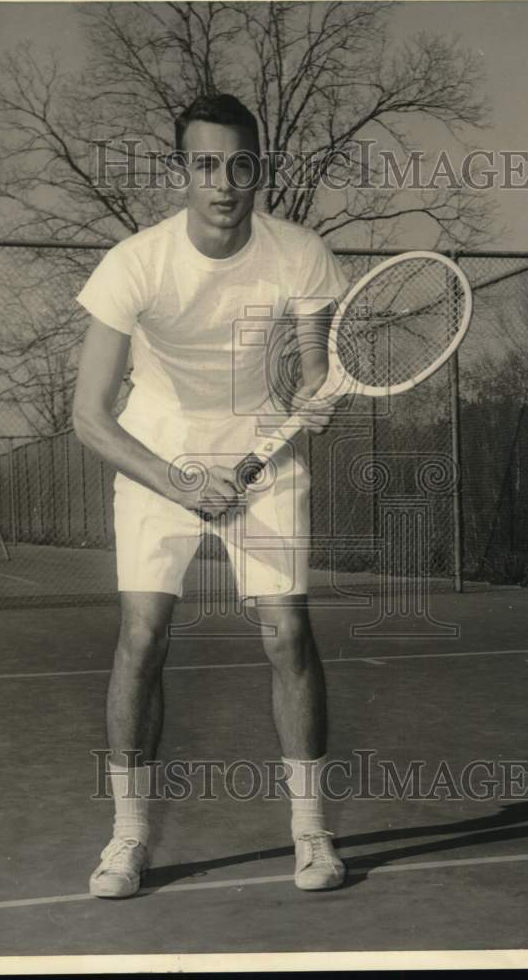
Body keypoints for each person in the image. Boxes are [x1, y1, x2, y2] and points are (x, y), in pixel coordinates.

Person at [73, 93, 349, 898]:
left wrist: (313, 400)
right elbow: (90, 416)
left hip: (259, 440)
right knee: (142, 633)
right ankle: (126, 840)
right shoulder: (135, 263)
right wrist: (181, 482)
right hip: (155, 446)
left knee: (286, 631)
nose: (222, 182)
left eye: (238, 165)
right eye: (203, 165)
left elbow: (314, 374)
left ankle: (310, 835)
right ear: (179, 172)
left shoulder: (298, 254)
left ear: (257, 170)